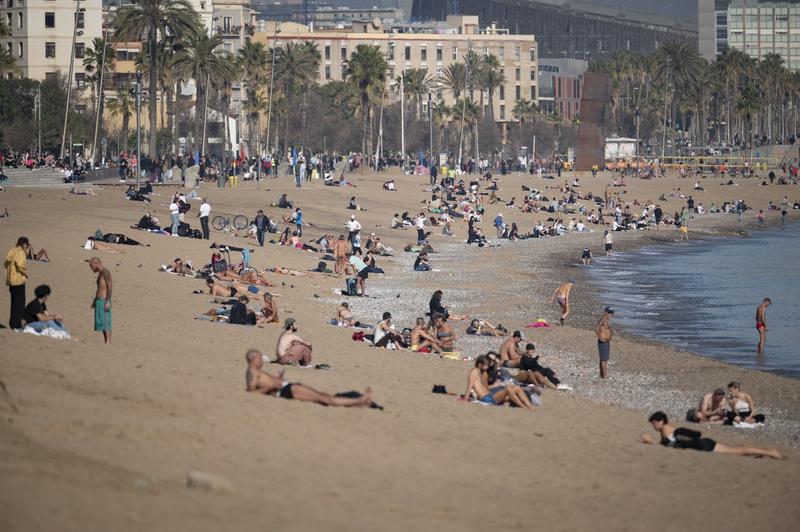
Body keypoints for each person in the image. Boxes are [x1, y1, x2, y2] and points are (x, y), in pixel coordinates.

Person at [245, 349, 372, 407]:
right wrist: (271, 386)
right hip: (284, 390)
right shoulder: (252, 372)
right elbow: (251, 391)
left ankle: (357, 402)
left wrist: (275, 378)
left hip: (286, 388)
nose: (261, 360)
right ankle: (359, 400)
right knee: (324, 398)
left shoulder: (256, 371)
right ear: (253, 359)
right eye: (259, 358)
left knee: (323, 397)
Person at [640, 412, 780, 459]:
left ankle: (770, 452)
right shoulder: (665, 431)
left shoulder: (669, 430)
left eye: (653, 423)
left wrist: (650, 442)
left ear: (660, 421)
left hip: (704, 445)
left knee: (737, 450)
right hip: (703, 444)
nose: (653, 426)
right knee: (737, 451)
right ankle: (765, 453)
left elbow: (674, 443)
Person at [461, 355, 535, 410]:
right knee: (508, 389)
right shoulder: (474, 371)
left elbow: (485, 387)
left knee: (517, 388)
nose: (488, 367)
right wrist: (466, 398)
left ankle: (530, 406)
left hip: (490, 395)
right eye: (486, 365)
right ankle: (523, 406)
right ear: (480, 364)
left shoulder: (482, 373)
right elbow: (470, 386)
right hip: (486, 398)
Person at [5, 237, 30, 329]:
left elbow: (6, 263)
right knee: (19, 304)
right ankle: (16, 324)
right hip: (18, 280)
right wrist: (25, 274)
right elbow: (20, 265)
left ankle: (13, 323)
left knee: (14, 303)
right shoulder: (20, 252)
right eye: (27, 245)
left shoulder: (12, 251)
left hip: (11, 281)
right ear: (24, 244)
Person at [89, 257, 112, 344]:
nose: (91, 269)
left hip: (104, 300)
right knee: (101, 323)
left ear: (96, 264)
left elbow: (110, 287)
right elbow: (99, 288)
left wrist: (108, 300)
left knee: (106, 322)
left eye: (91, 266)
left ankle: (108, 341)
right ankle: (106, 341)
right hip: (99, 301)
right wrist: (95, 301)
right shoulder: (100, 274)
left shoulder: (105, 272)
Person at [596, 307, 613, 379]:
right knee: (603, 359)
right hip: (603, 341)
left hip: (606, 341)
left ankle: (603, 374)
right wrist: (600, 337)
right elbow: (596, 328)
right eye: (609, 312)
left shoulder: (607, 319)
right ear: (605, 312)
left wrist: (610, 337)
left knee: (605, 359)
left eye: (611, 313)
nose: (611, 314)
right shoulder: (603, 319)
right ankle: (604, 375)